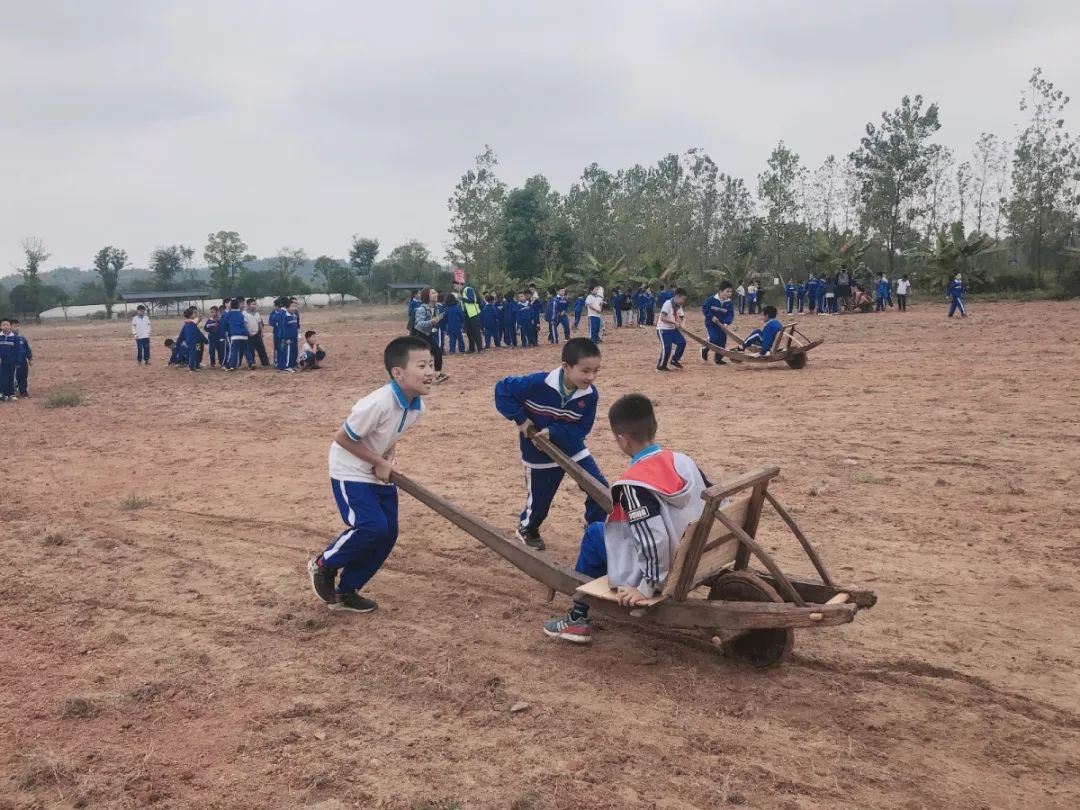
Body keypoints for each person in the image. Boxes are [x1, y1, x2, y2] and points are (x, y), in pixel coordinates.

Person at [543, 393, 709, 642]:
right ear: (654, 427)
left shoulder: (634, 484)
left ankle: (577, 618)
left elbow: (654, 539)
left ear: (622, 440)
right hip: (699, 549)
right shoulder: (682, 460)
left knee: (595, 533)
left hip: (669, 565)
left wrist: (646, 587)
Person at [307, 336, 435, 613]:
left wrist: (386, 458)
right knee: (371, 526)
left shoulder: (416, 407)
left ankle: (346, 592)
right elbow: (342, 438)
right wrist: (377, 460)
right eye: (422, 365)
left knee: (387, 533)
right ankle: (324, 564)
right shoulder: (376, 403)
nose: (430, 372)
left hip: (376, 470)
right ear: (398, 373)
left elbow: (392, 433)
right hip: (350, 469)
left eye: (432, 365)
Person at [494, 338, 608, 551]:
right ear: (566, 367)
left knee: (598, 488)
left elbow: (582, 428)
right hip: (538, 452)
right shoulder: (537, 383)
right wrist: (520, 419)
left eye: (596, 371)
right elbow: (502, 389)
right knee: (540, 499)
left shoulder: (590, 396)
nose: (591, 377)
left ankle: (596, 528)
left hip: (571, 447)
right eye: (585, 371)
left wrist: (554, 431)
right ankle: (528, 528)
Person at [410, 287, 449, 383]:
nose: (436, 294)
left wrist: (439, 318)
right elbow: (418, 324)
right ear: (427, 296)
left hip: (427, 334)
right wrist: (431, 321)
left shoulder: (436, 308)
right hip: (418, 335)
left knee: (438, 352)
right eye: (433, 293)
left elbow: (436, 319)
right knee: (421, 358)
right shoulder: (421, 309)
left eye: (435, 292)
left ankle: (438, 374)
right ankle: (415, 377)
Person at [701, 281, 734, 365]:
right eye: (727, 291)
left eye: (730, 292)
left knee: (722, 341)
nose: (729, 294)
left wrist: (726, 323)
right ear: (720, 291)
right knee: (714, 339)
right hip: (711, 324)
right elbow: (705, 309)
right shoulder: (711, 300)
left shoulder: (729, 303)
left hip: (722, 325)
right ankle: (705, 348)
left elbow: (730, 314)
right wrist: (711, 317)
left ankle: (718, 359)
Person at [656, 287, 687, 372]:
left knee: (682, 342)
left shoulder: (679, 306)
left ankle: (675, 360)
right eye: (683, 299)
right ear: (677, 297)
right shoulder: (667, 304)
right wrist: (674, 322)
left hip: (672, 329)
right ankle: (661, 366)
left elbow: (682, 316)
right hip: (663, 329)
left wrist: (682, 324)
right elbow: (662, 318)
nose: (683, 301)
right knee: (667, 347)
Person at [455, 281, 483, 352]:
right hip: (466, 314)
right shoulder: (461, 292)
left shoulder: (468, 289)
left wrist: (462, 298)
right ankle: (471, 348)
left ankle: (479, 348)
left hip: (473, 313)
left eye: (455, 286)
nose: (455, 287)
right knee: (469, 332)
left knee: (476, 331)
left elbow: (473, 300)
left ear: (459, 284)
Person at [222, 298, 248, 371]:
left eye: (231, 303)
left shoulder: (234, 313)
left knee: (235, 350)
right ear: (225, 304)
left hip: (234, 334)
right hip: (230, 334)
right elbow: (224, 324)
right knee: (231, 349)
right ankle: (228, 364)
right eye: (229, 303)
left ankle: (233, 364)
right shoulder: (227, 314)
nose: (230, 304)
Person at [178, 307, 207, 372]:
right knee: (194, 353)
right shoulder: (192, 324)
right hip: (194, 342)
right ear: (191, 315)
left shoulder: (186, 324)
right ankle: (192, 367)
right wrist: (205, 340)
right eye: (194, 313)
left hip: (189, 342)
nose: (195, 314)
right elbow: (198, 333)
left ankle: (194, 365)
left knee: (194, 353)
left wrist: (179, 341)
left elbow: (181, 334)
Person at [245, 298, 271, 367]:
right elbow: (244, 324)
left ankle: (265, 363)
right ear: (248, 305)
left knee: (261, 349)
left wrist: (262, 332)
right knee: (251, 349)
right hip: (249, 335)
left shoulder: (257, 314)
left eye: (255, 304)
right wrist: (248, 333)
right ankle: (252, 363)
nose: (254, 306)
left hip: (257, 334)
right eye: (253, 304)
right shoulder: (244, 314)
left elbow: (259, 323)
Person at [11, 321, 31, 398]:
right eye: (15, 326)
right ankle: (13, 392)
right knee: (13, 377)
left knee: (23, 376)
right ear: (10, 327)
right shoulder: (9, 338)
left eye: (18, 326)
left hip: (23, 360)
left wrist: (29, 358)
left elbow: (27, 348)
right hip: (13, 361)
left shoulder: (22, 338)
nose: (17, 328)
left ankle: (23, 391)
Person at [0, 318, 17, 401]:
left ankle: (11, 394)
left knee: (11, 378)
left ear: (10, 326)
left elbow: (18, 350)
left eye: (7, 325)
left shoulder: (14, 337)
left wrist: (18, 361)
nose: (5, 326)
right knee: (3, 378)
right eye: (3, 325)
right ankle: (4, 394)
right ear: (0, 326)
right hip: (2, 362)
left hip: (12, 362)